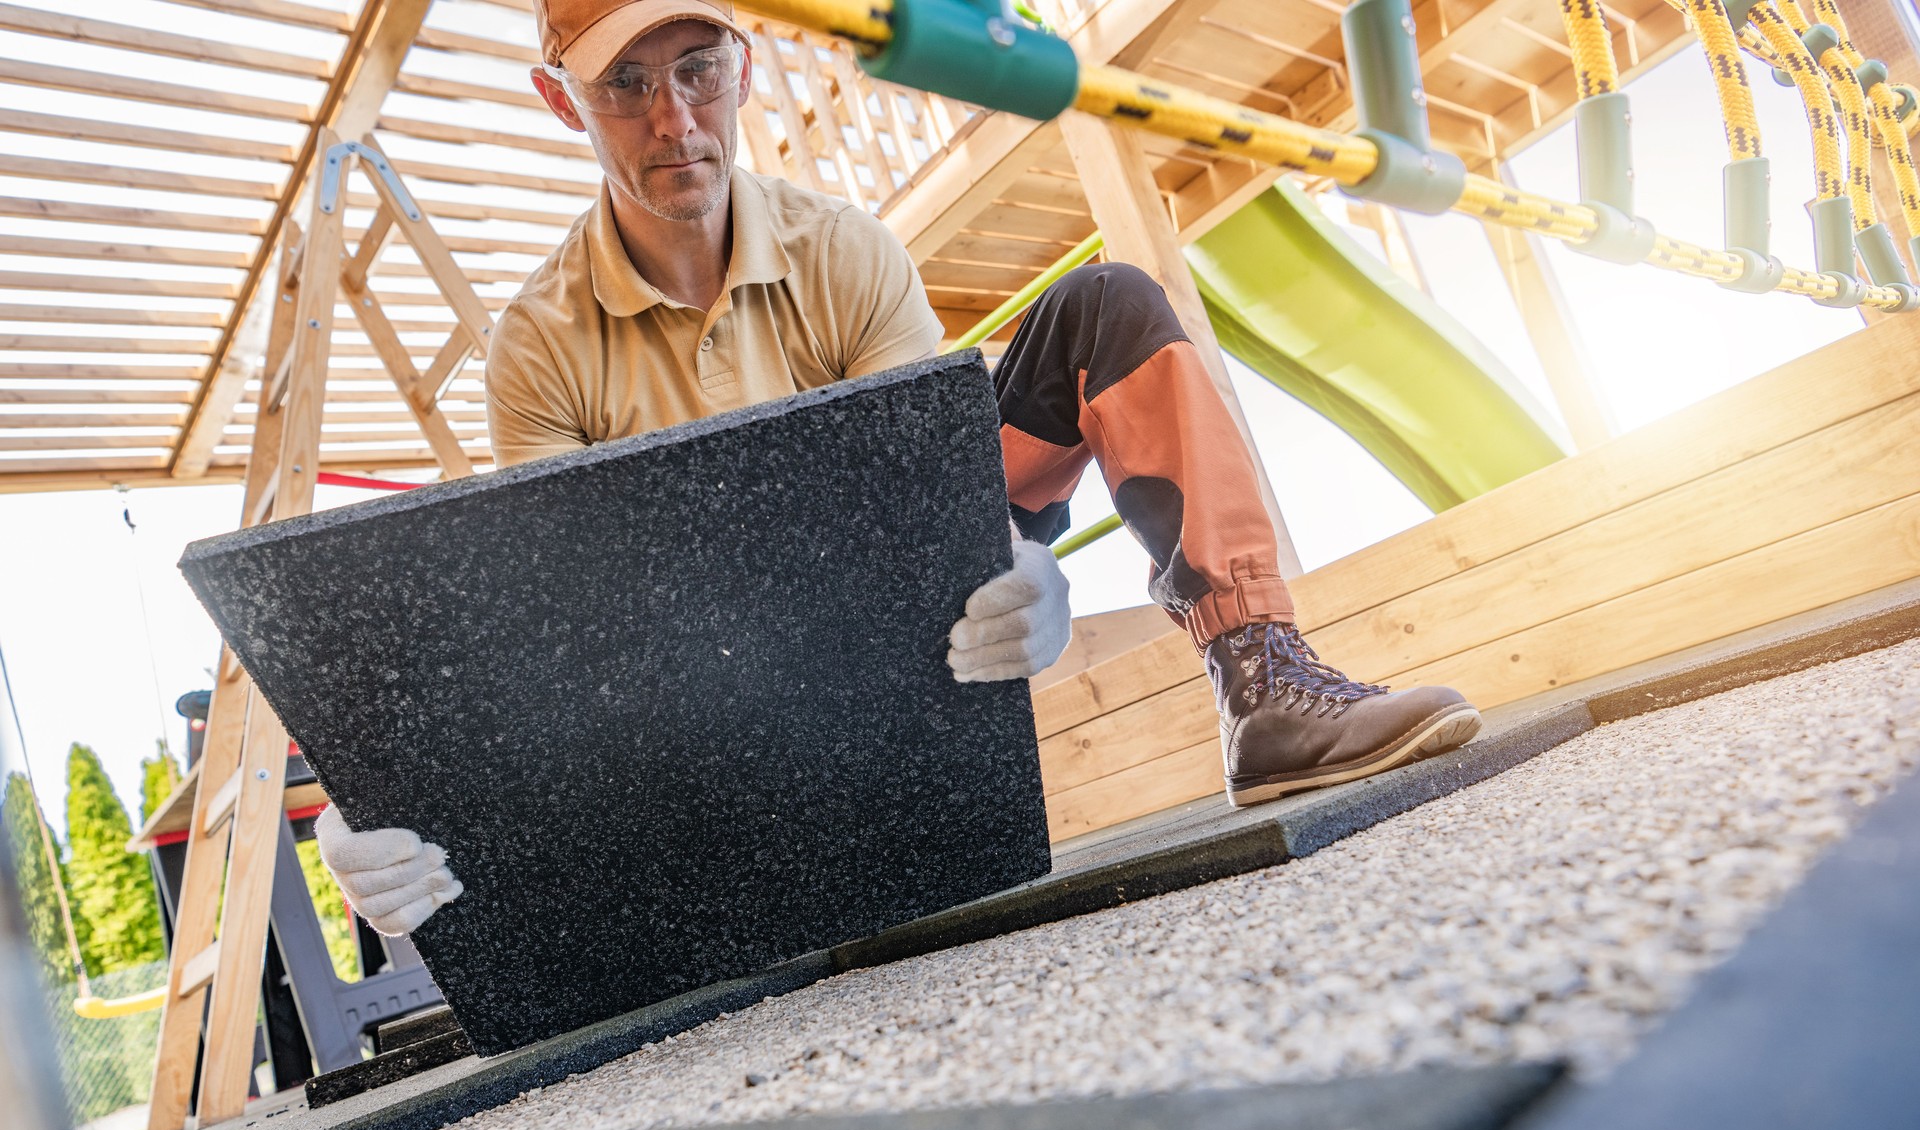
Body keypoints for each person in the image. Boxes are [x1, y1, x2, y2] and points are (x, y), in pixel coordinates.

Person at [316, 0, 1481, 935]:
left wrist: (1022, 563)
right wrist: (392, 811)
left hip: (889, 602)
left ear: (746, 68)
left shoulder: (846, 256)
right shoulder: (537, 350)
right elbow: (560, 631)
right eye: (626, 84)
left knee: (1108, 309)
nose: (673, 119)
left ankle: (1262, 683)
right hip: (708, 687)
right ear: (561, 101)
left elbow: (929, 508)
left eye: (698, 69)